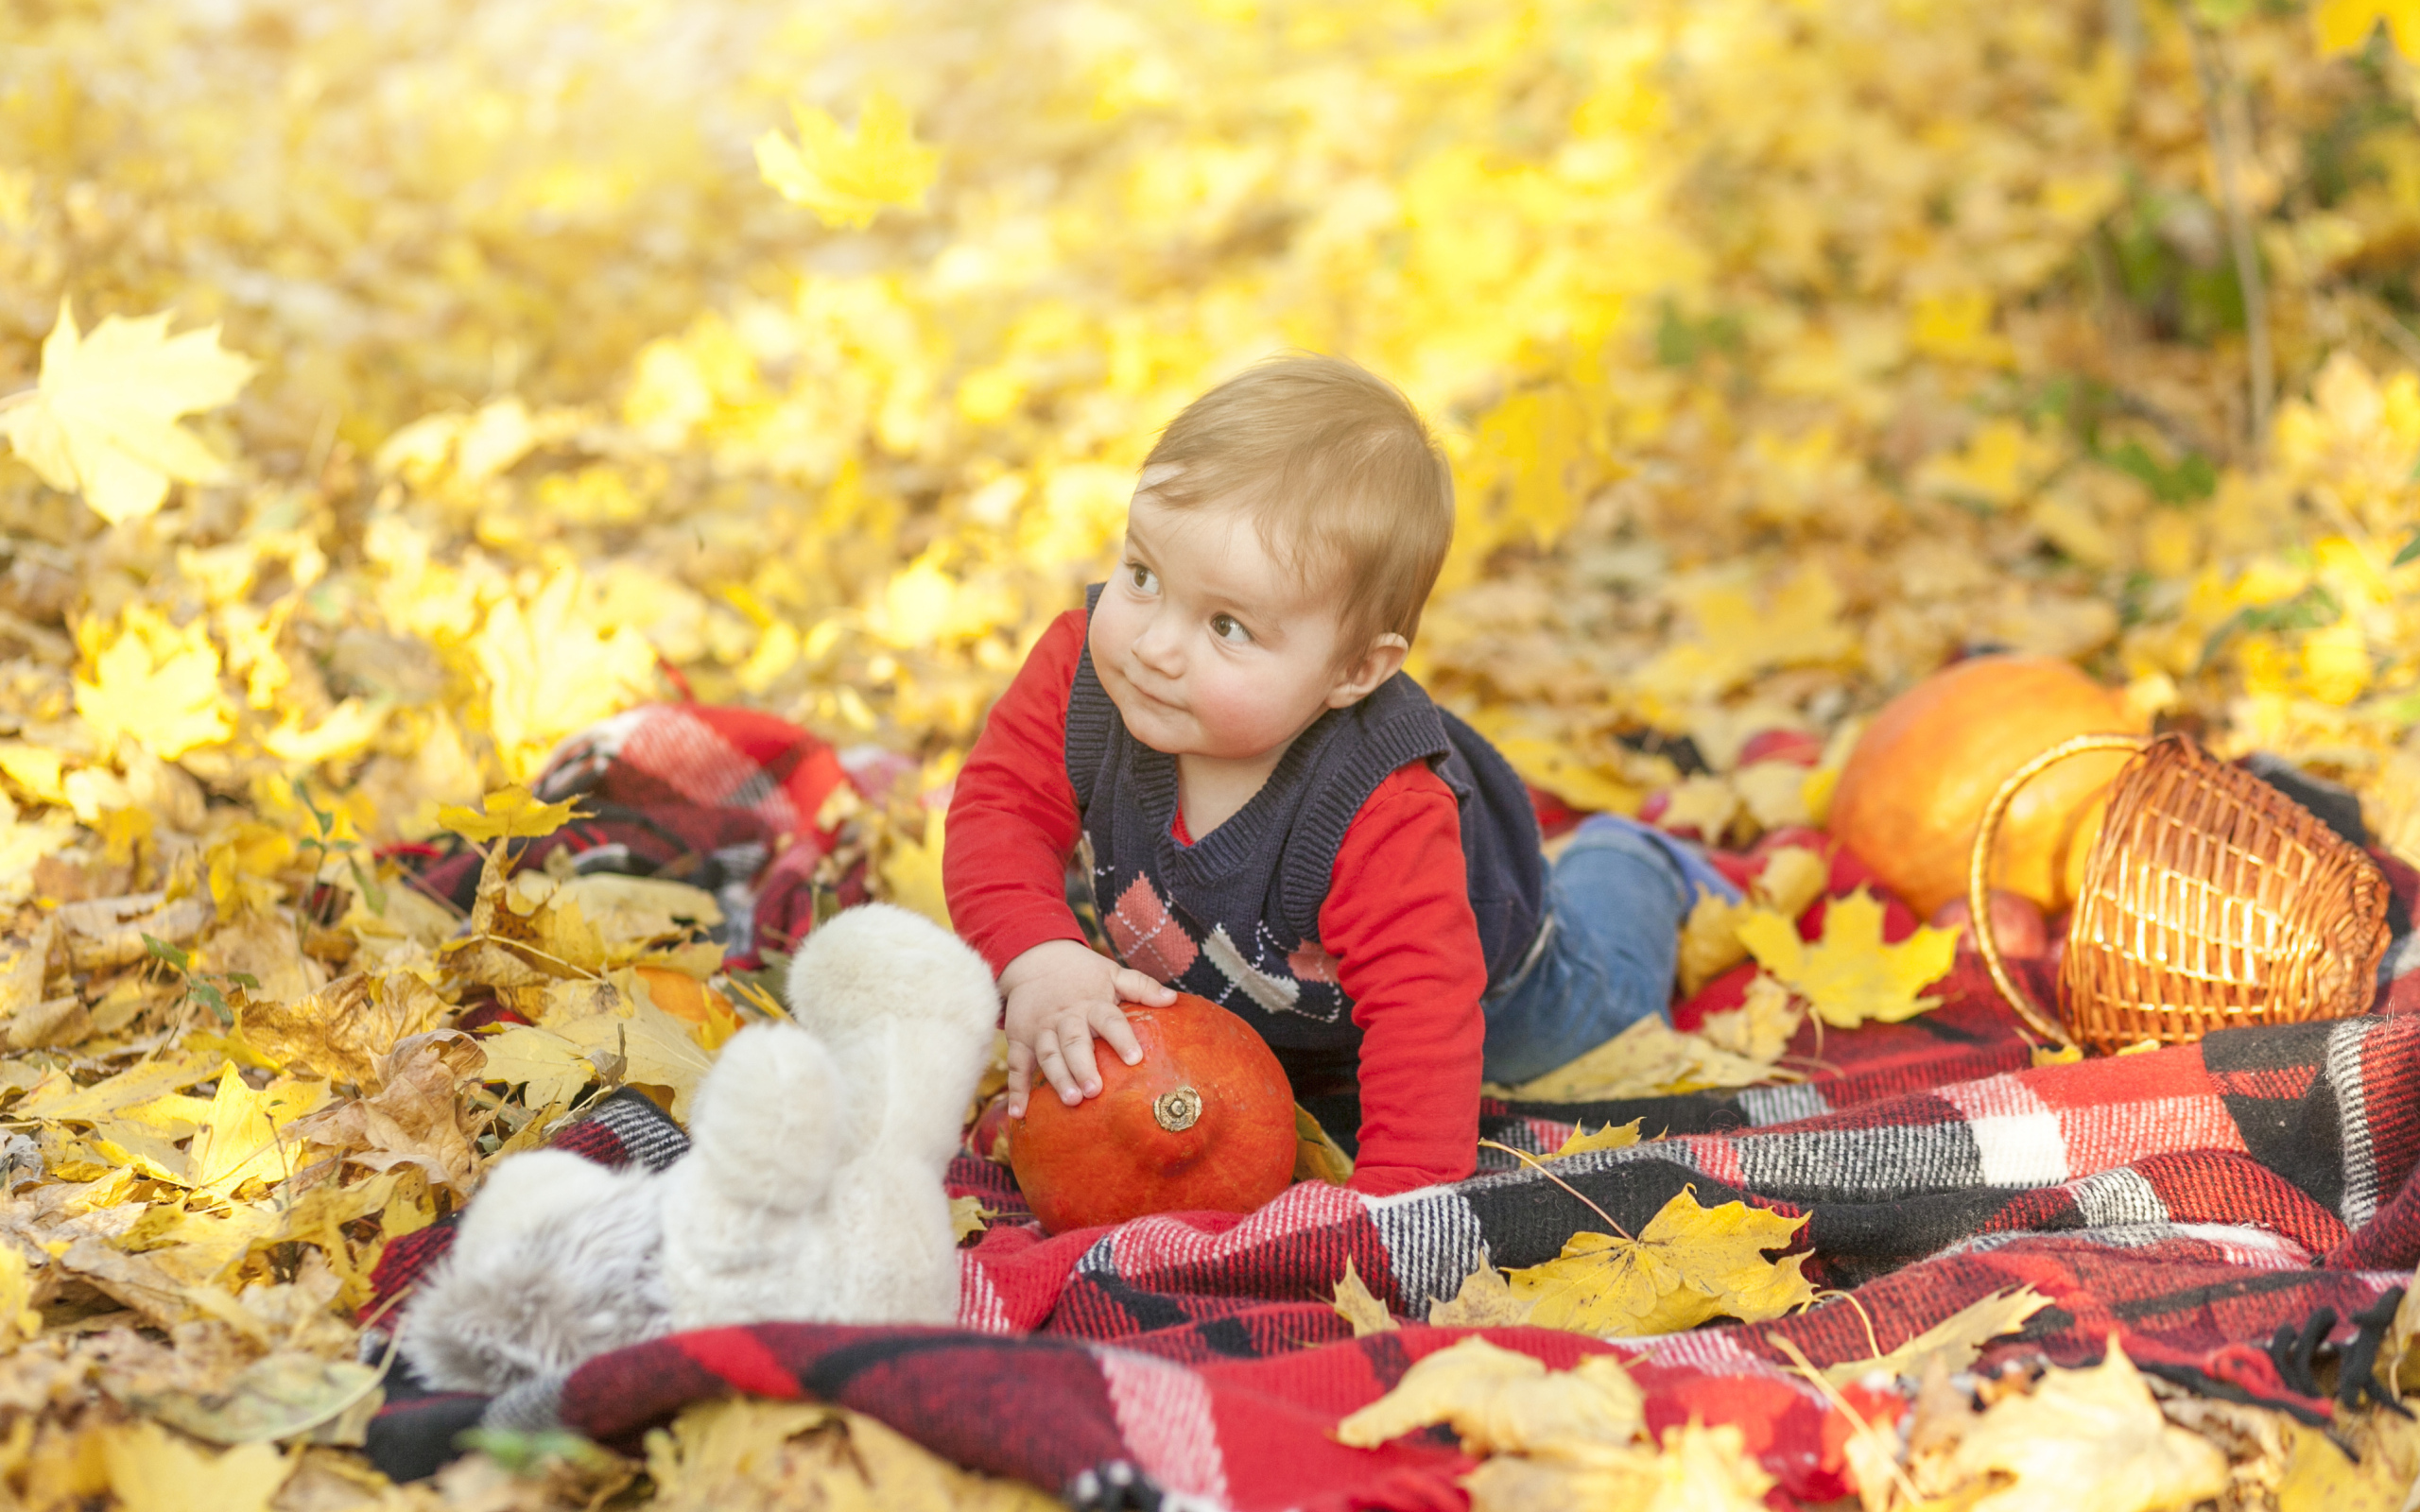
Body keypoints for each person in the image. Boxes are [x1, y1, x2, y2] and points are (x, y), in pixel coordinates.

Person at [943, 353, 1734, 1195]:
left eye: (1227, 626)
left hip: (1497, 990)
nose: (1154, 645)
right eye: (1144, 576)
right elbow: (1000, 810)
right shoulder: (1084, 675)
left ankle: (1634, 861)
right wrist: (1040, 953)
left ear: (1356, 669)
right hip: (1266, 994)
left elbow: (1422, 1013)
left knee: (1589, 1021)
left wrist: (1395, 1212)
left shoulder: (1378, 807)